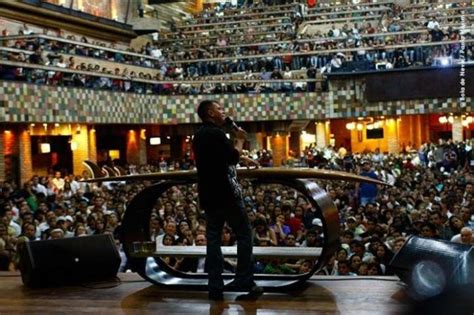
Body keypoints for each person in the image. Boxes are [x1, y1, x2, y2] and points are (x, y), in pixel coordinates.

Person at [192, 100, 262, 301]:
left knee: (213, 239)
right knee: (244, 234)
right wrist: (239, 140)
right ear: (210, 113)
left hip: (209, 193)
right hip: (226, 194)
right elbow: (230, 157)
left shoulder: (200, 135)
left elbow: (218, 159)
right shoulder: (216, 134)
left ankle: (215, 285)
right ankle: (244, 279)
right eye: (219, 109)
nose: (223, 111)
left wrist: (243, 158)